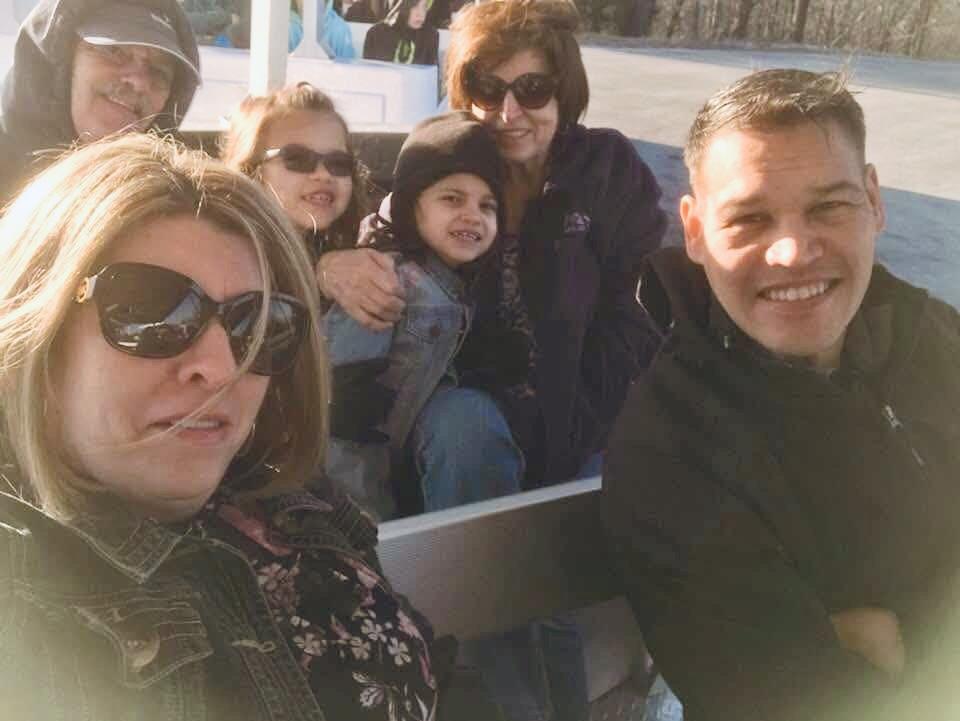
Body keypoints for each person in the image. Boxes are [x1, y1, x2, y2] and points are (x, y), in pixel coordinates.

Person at [0, 133, 442, 720]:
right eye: (151, 310)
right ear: (37, 328)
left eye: (255, 323)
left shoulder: (292, 498)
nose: (222, 367)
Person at [603, 68, 960, 721]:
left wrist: (903, 637)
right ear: (695, 231)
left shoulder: (936, 339)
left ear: (874, 201)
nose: (793, 252)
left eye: (829, 206)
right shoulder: (671, 452)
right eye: (750, 218)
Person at [323, 111, 509, 520]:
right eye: (452, 199)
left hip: (424, 447)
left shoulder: (472, 283)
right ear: (411, 206)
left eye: (487, 206)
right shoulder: (384, 281)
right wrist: (371, 529)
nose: (473, 215)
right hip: (360, 479)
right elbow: (343, 423)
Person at [0, 0, 200, 202]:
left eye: (158, 71)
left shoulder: (170, 200)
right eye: (114, 51)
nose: (139, 82)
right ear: (59, 65)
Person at [221, 82, 370, 260]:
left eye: (338, 163)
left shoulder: (357, 250)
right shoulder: (227, 254)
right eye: (297, 159)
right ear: (250, 169)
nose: (323, 174)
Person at [363, 0, 439, 65]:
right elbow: (368, 72)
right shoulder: (376, 34)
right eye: (414, 6)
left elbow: (431, 73)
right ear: (401, 6)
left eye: (424, 7)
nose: (420, 14)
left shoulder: (430, 36)